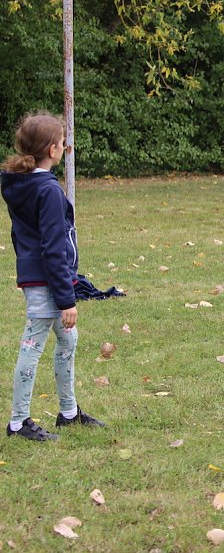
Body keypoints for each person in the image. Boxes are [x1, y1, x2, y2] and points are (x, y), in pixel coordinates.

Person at [2, 111, 106, 442]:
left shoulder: (23, 184)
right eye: (63, 142)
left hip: (43, 277)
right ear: (52, 150)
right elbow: (53, 247)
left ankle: (69, 412)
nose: (64, 146)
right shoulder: (45, 190)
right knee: (32, 344)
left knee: (68, 340)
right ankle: (18, 423)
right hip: (46, 282)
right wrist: (66, 298)